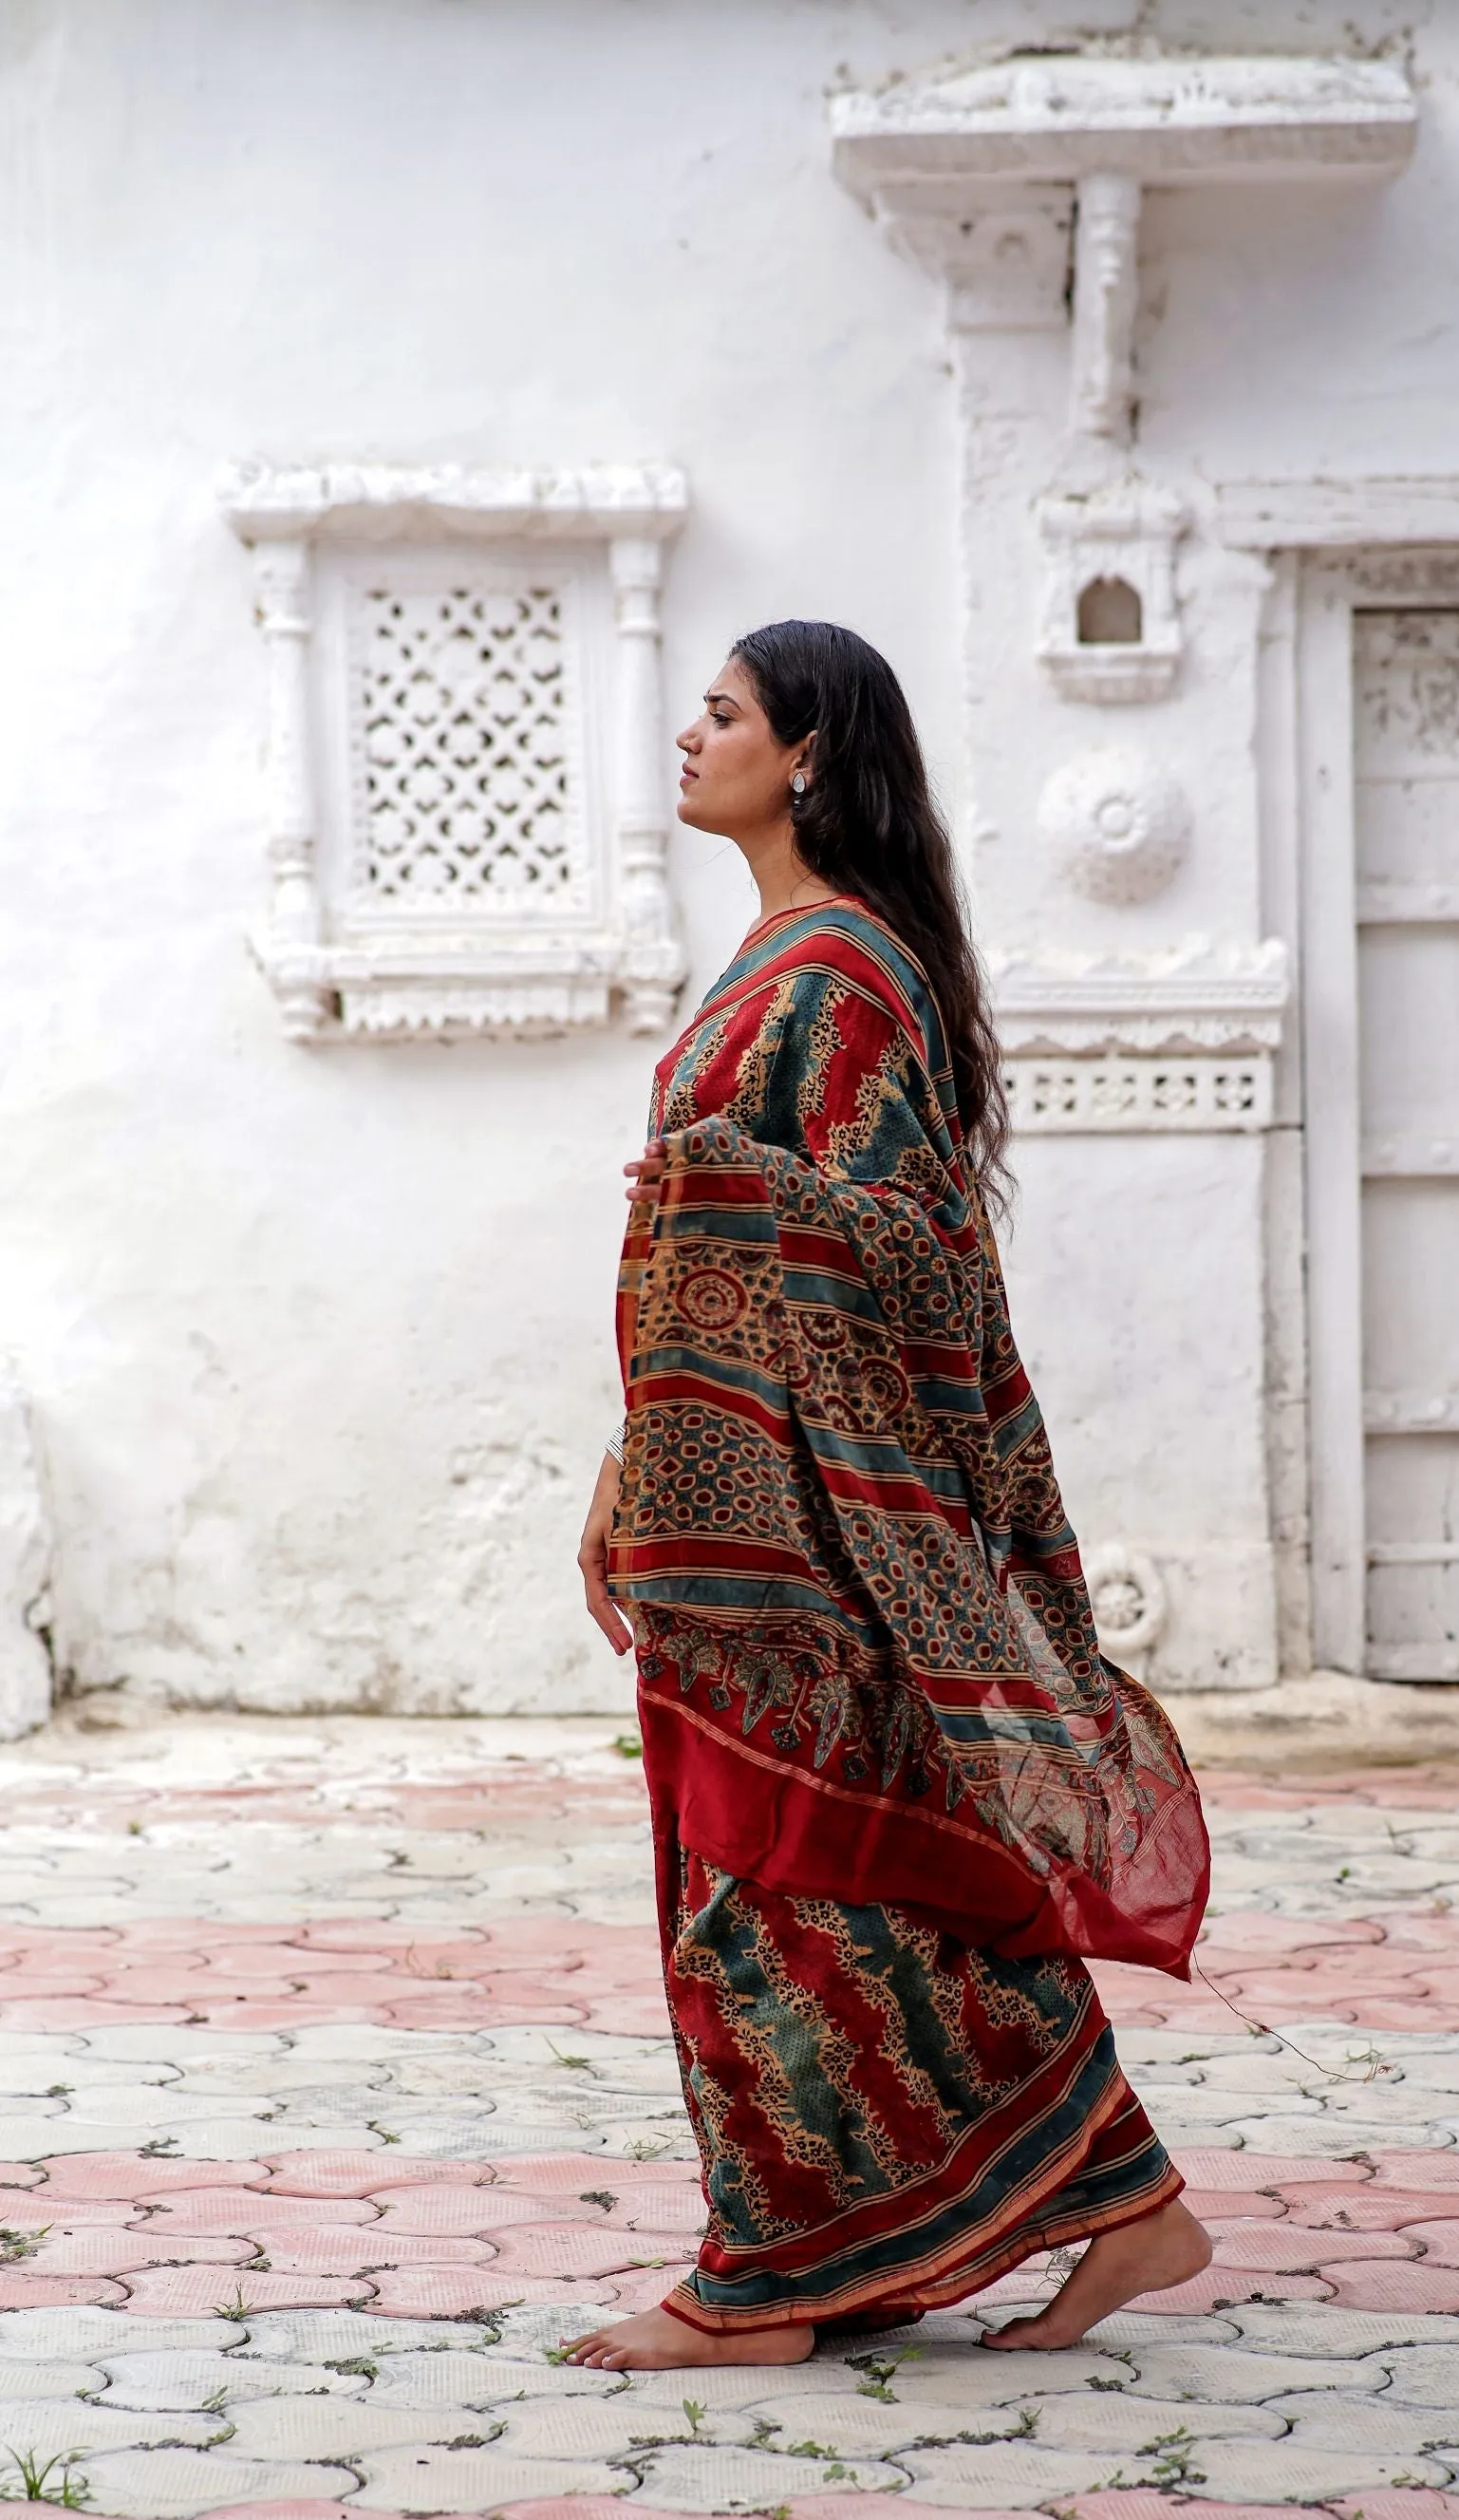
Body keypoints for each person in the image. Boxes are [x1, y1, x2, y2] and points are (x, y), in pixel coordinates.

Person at [564, 620, 1213, 2372]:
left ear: (812, 758)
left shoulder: (845, 978)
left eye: (724, 714)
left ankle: (772, 2281)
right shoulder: (780, 958)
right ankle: (1117, 2200)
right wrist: (637, 1463)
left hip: (814, 1521)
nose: (687, 737)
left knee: (784, 1877)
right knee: (817, 1875)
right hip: (725, 1505)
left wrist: (730, 1215)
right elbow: (713, 1252)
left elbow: (913, 1260)